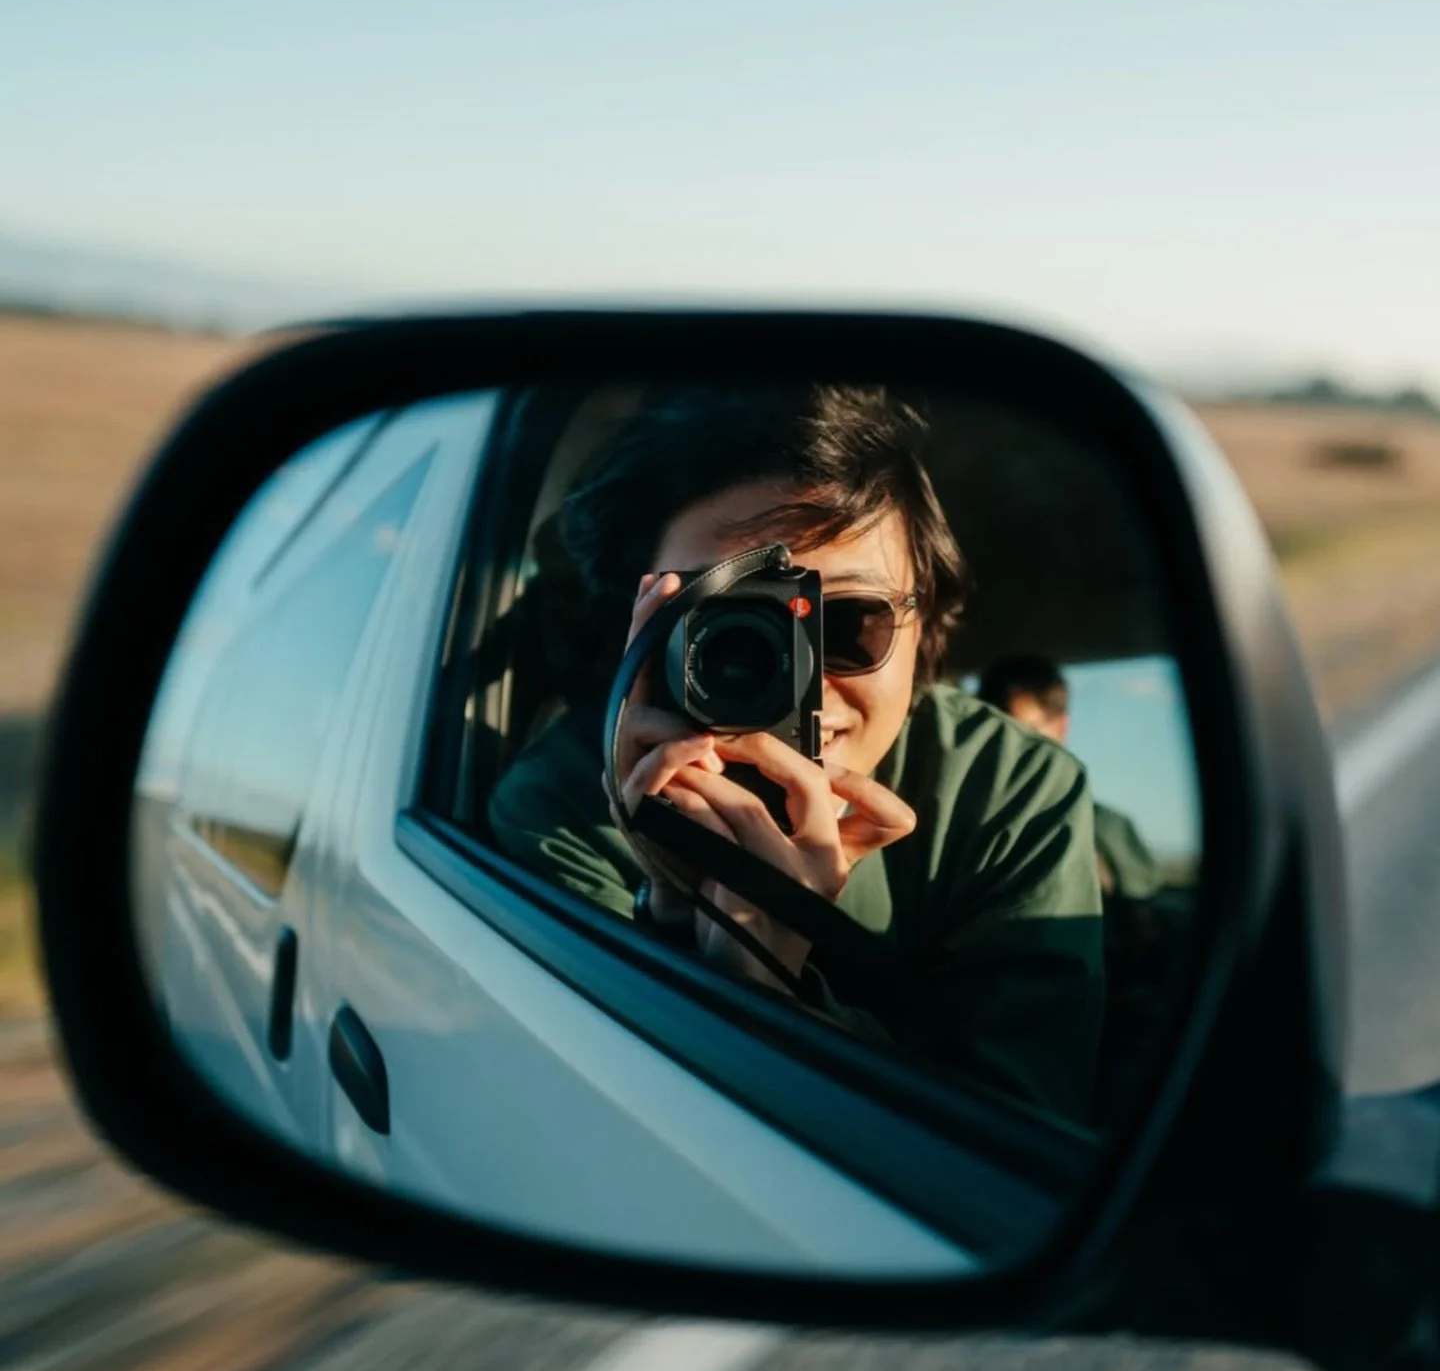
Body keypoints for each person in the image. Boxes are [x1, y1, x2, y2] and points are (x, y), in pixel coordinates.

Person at [488, 386, 1106, 1126]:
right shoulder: (566, 803)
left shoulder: (1008, 789)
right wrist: (671, 913)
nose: (802, 683)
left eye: (850, 622)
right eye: (729, 623)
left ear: (925, 627)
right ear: (643, 630)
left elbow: (1017, 1140)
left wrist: (775, 995)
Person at [976, 654, 1163, 903]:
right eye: (996, 733)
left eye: (1025, 733)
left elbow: (1143, 923)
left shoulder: (1107, 830)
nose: (1008, 750)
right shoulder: (958, 818)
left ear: (1061, 727)